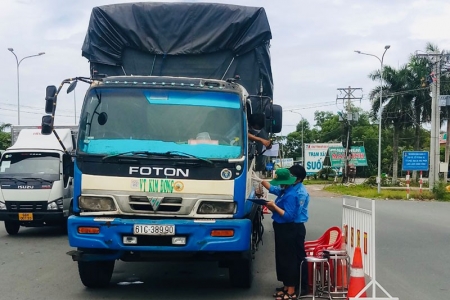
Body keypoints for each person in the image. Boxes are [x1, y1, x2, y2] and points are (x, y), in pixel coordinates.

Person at [252, 165, 310, 299]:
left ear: (298, 179)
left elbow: (291, 215)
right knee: (283, 257)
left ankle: (296, 288)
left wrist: (274, 207)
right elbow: (274, 189)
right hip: (283, 226)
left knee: (293, 258)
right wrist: (259, 179)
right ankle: (287, 286)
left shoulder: (298, 193)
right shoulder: (287, 189)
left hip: (293, 227)